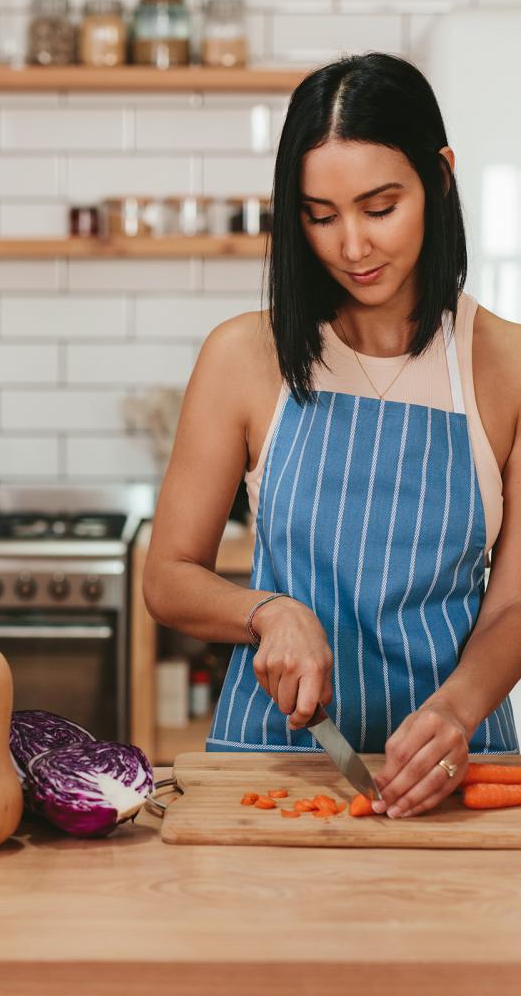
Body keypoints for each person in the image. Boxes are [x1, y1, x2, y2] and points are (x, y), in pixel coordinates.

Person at [143, 52, 521, 820]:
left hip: (461, 771)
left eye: (380, 207)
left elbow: (514, 607)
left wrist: (455, 711)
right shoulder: (243, 357)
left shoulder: (507, 366)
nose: (352, 246)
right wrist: (266, 612)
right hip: (272, 769)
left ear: (439, 178)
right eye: (320, 215)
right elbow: (169, 576)